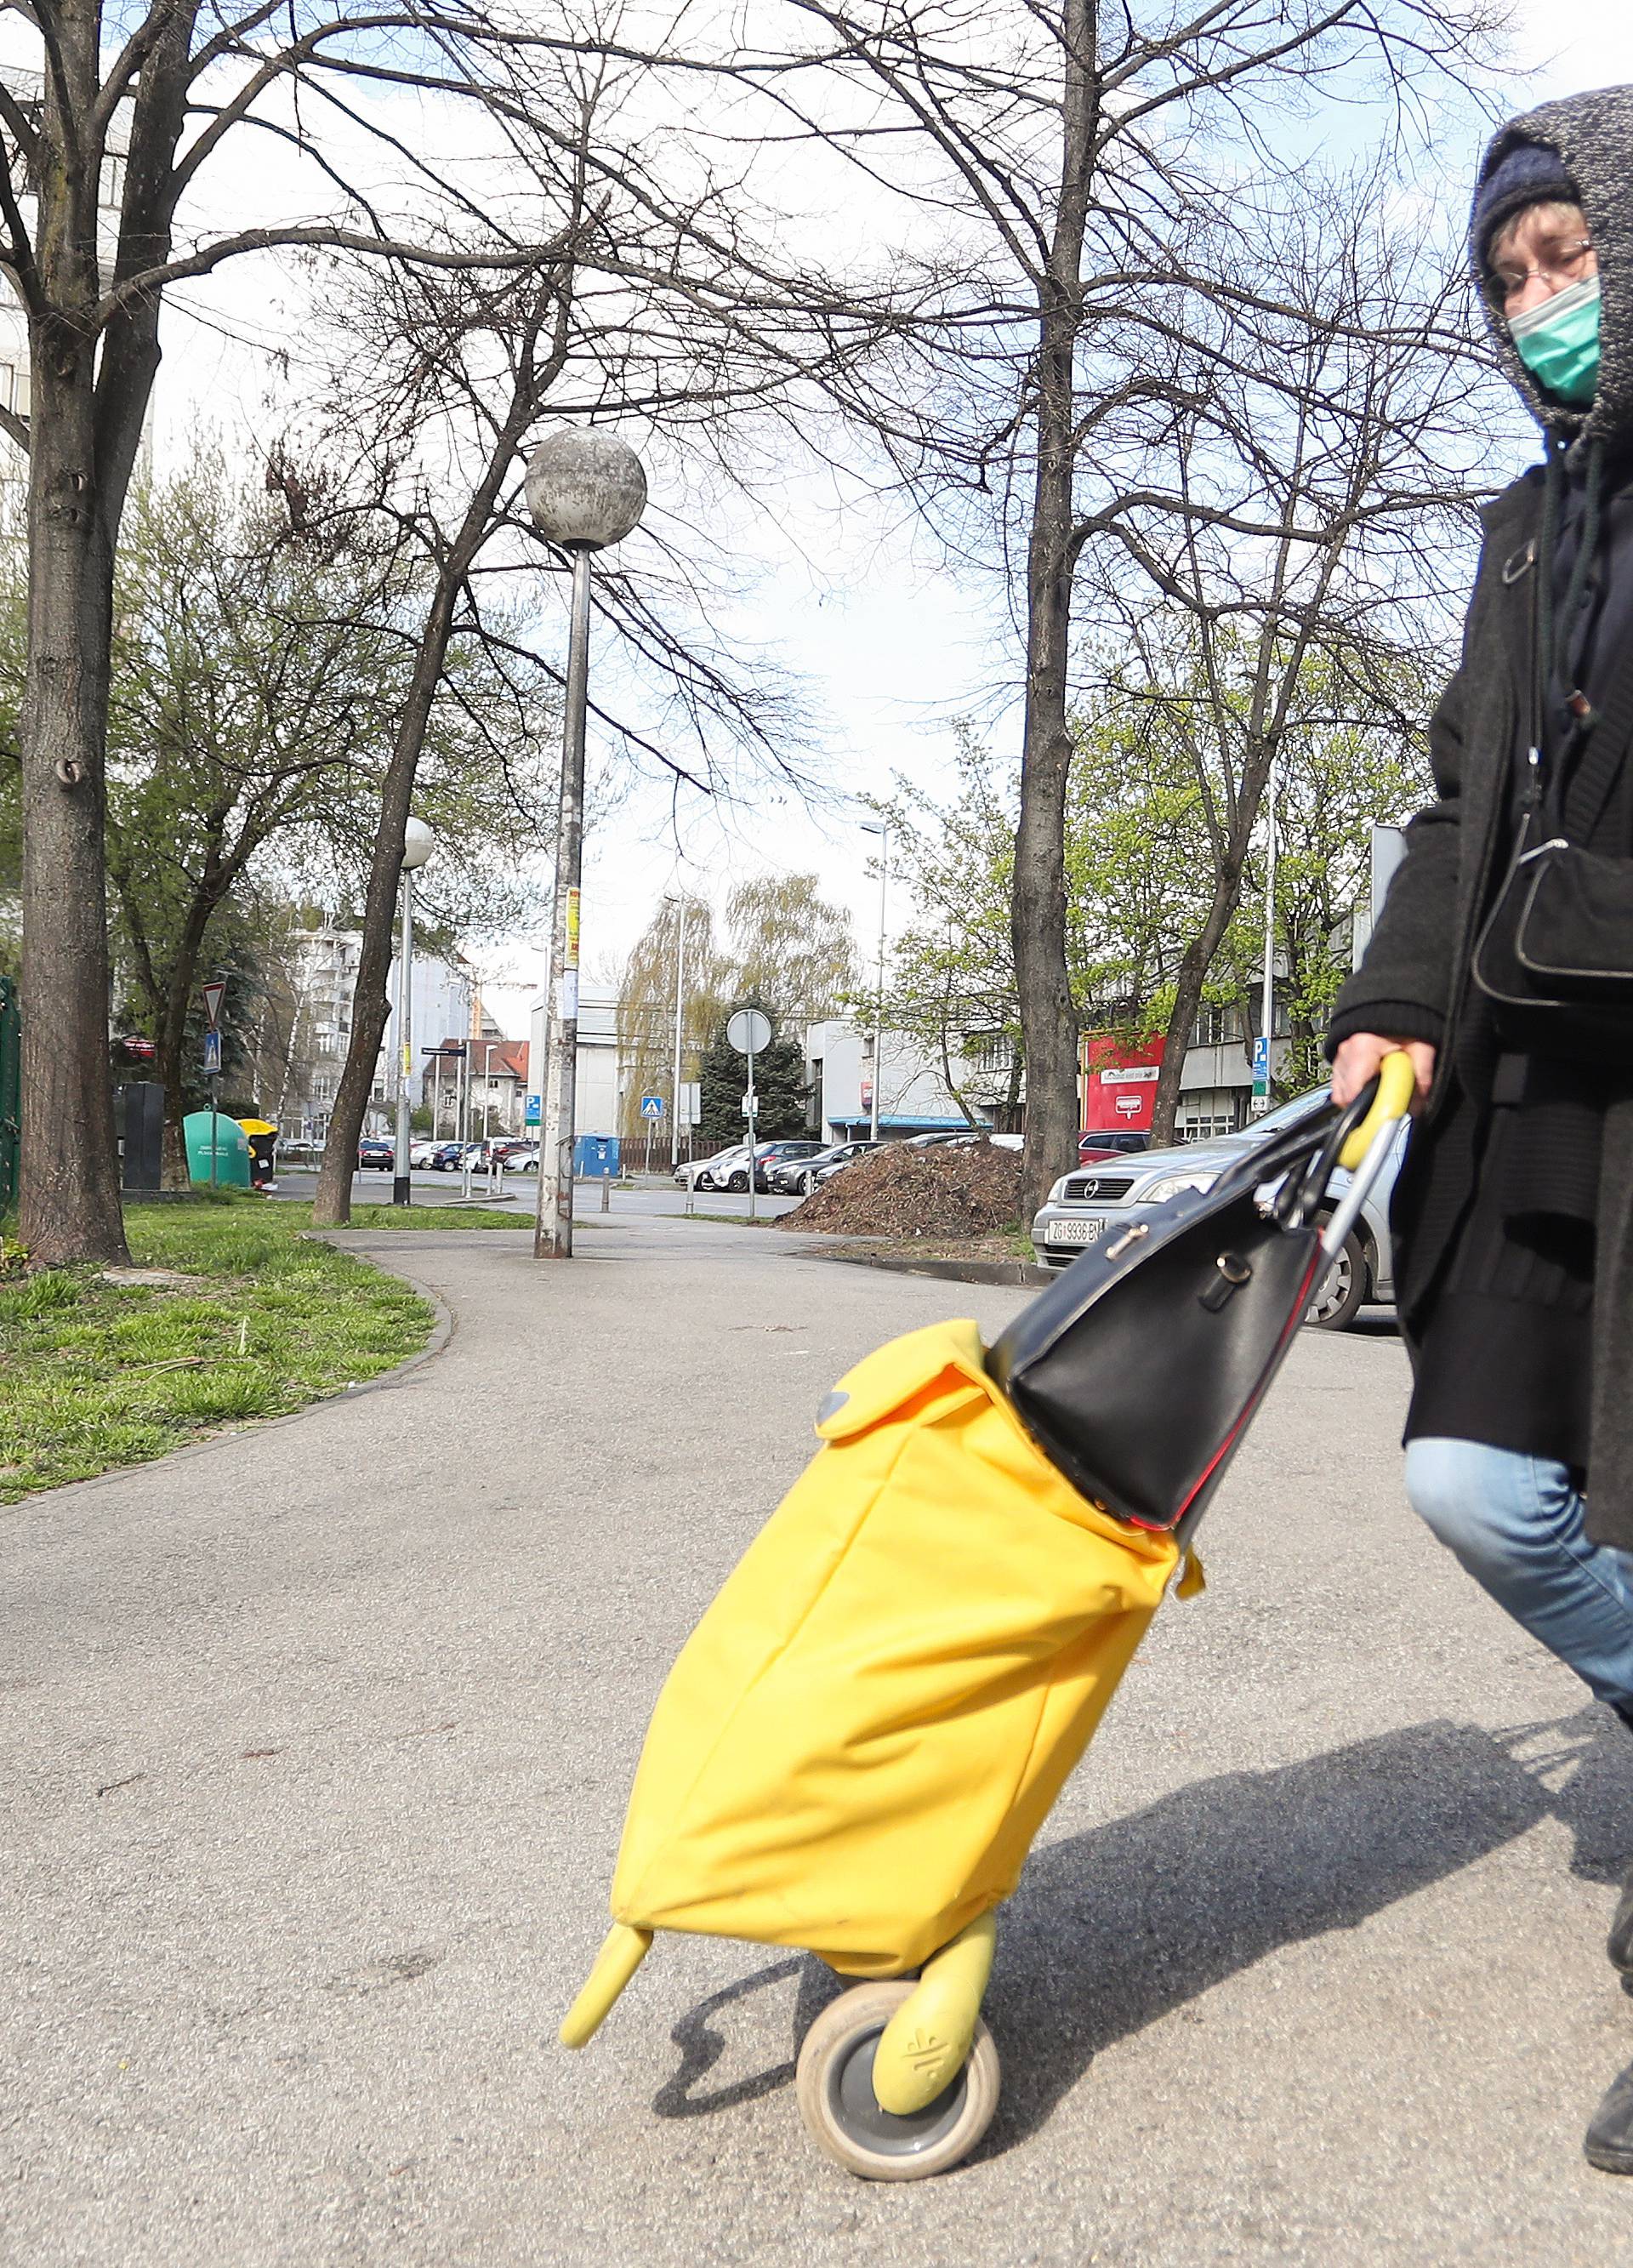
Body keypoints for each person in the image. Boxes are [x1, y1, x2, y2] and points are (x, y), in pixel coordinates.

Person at [1327, 87, 1633, 2176]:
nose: (1543, 304)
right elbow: (1460, 800)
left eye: (1572, 256)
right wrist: (1385, 1004)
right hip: (1528, 1093)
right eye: (1513, 278)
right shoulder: (1519, 532)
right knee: (1471, 1475)